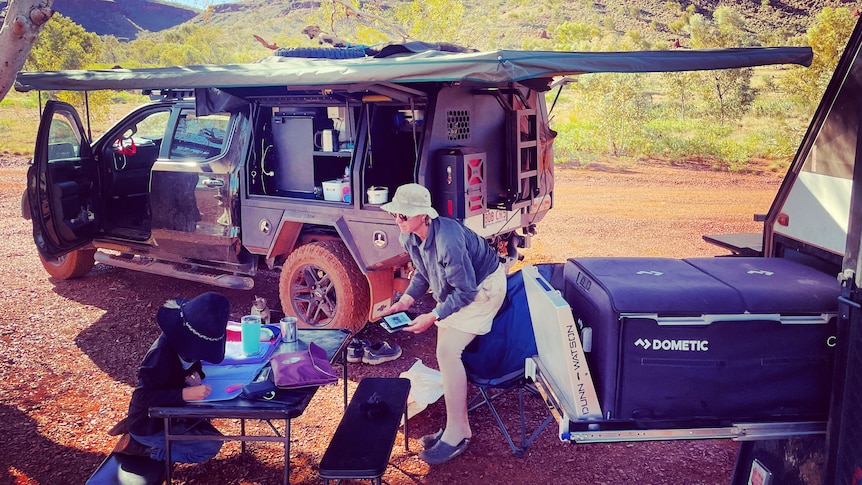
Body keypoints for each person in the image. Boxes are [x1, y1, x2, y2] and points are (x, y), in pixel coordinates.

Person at [381, 183, 507, 465]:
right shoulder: (410, 237)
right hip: (459, 291)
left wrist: (434, 315)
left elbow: (467, 291)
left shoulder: (447, 238)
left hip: (484, 288)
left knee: (448, 352)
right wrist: (407, 301)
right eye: (396, 214)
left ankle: (458, 433)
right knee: (444, 352)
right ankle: (455, 427)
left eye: (404, 215)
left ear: (424, 215)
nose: (397, 219)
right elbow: (423, 275)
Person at [115, 291, 230, 463]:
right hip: (149, 426)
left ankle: (145, 440)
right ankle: (145, 449)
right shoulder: (160, 356)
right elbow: (141, 397)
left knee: (212, 435)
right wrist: (184, 394)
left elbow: (194, 362)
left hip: (171, 417)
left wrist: (196, 374)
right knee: (210, 446)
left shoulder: (188, 344)